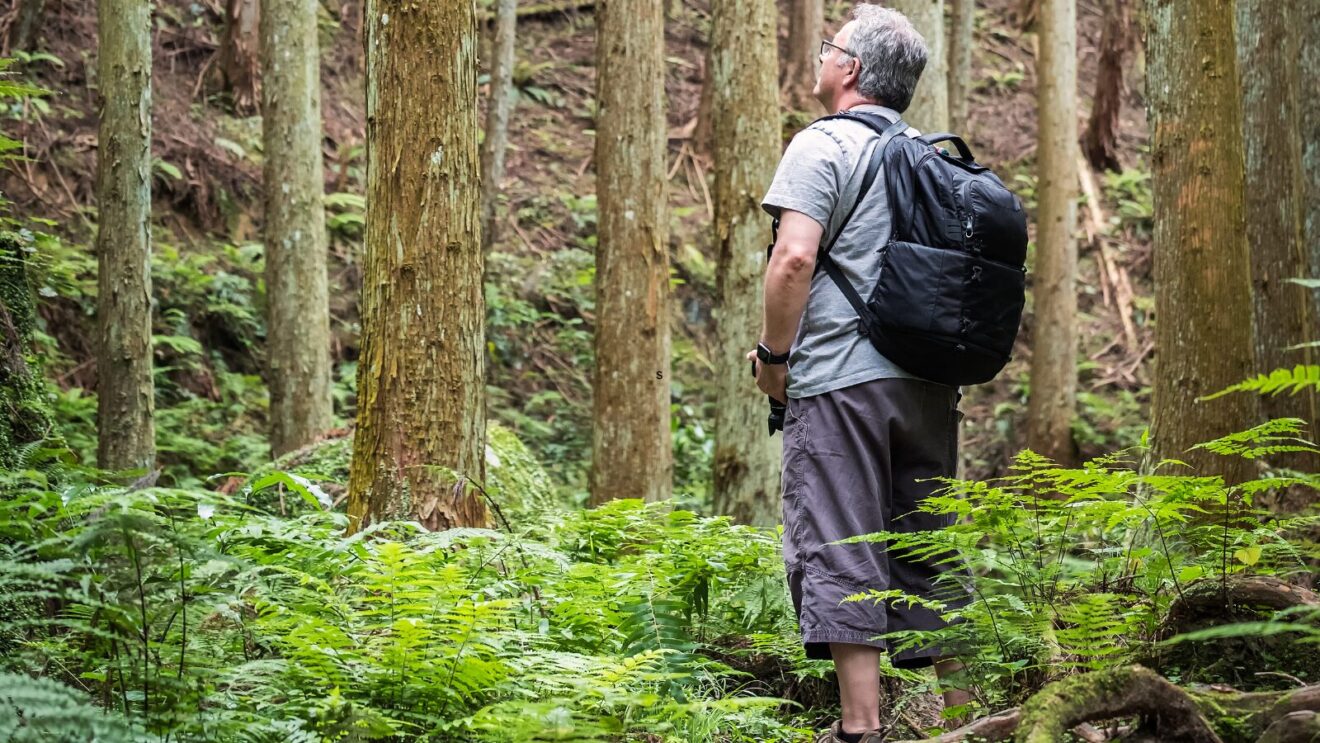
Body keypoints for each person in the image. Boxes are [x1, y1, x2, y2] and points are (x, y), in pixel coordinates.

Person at [745, 5, 973, 742]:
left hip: (841, 379)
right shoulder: (935, 159)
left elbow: (794, 258)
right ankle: (980, 719)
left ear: (851, 71)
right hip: (929, 384)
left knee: (844, 542)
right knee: (930, 543)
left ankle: (860, 728)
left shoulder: (824, 146)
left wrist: (776, 361)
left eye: (828, 48)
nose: (820, 58)